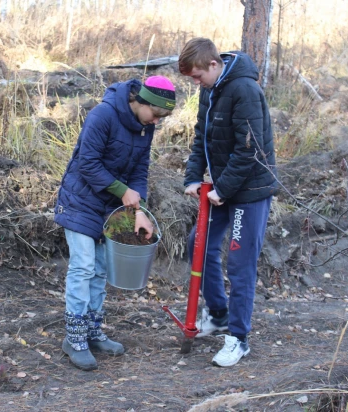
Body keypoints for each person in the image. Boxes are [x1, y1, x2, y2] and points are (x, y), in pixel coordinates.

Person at [54, 76, 176, 371]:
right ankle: (74, 338)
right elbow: (88, 163)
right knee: (83, 266)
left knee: (100, 270)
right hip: (80, 201)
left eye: (162, 118)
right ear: (142, 102)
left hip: (108, 207)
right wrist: (123, 192)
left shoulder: (145, 128)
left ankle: (93, 331)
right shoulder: (103, 115)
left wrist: (141, 210)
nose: (157, 122)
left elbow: (139, 171)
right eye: (156, 115)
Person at [178, 38, 277, 367]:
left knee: (239, 262)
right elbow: (201, 138)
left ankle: (239, 338)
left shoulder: (244, 90)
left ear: (213, 65)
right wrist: (193, 176)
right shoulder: (210, 89)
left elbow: (250, 149)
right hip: (222, 188)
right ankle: (218, 314)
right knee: (199, 244)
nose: (195, 83)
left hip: (248, 191)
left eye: (196, 76)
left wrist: (224, 188)